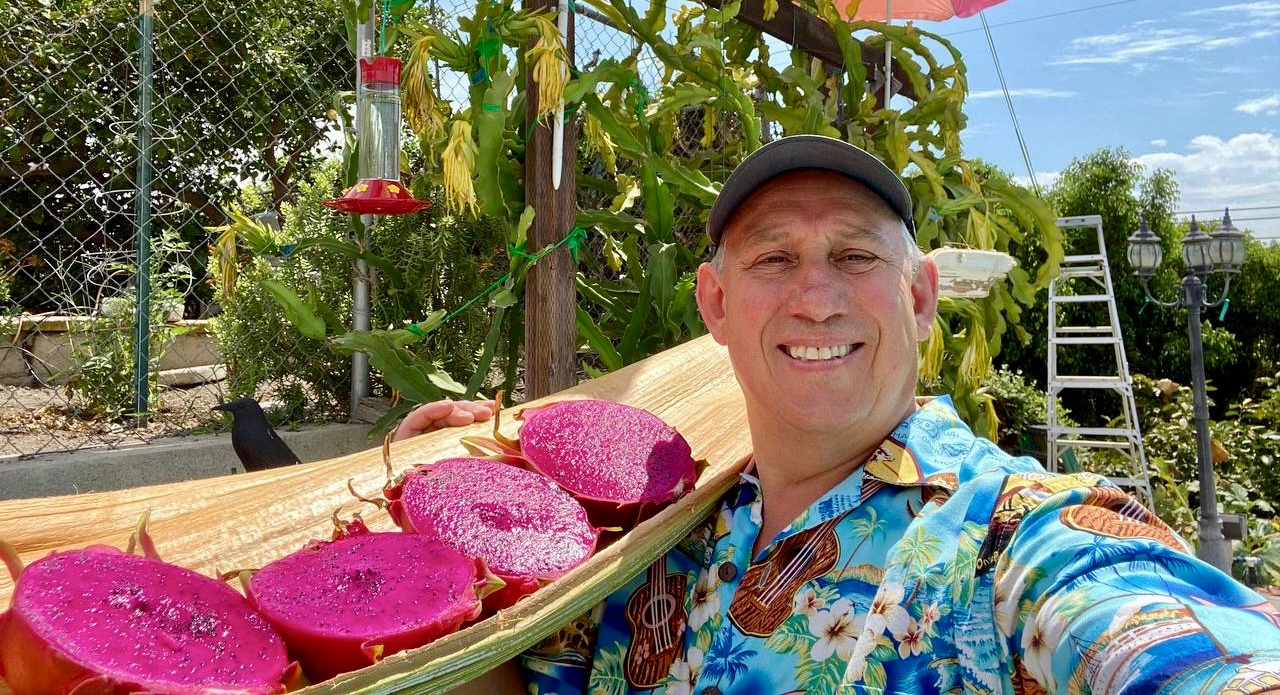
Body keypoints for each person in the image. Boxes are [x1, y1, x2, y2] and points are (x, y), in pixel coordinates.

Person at [404, 134, 1280, 694]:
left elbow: (1159, 637)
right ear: (715, 303)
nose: (817, 298)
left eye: (856, 256)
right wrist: (434, 549)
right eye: (773, 258)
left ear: (920, 297)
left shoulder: (1012, 536)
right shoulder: (648, 542)